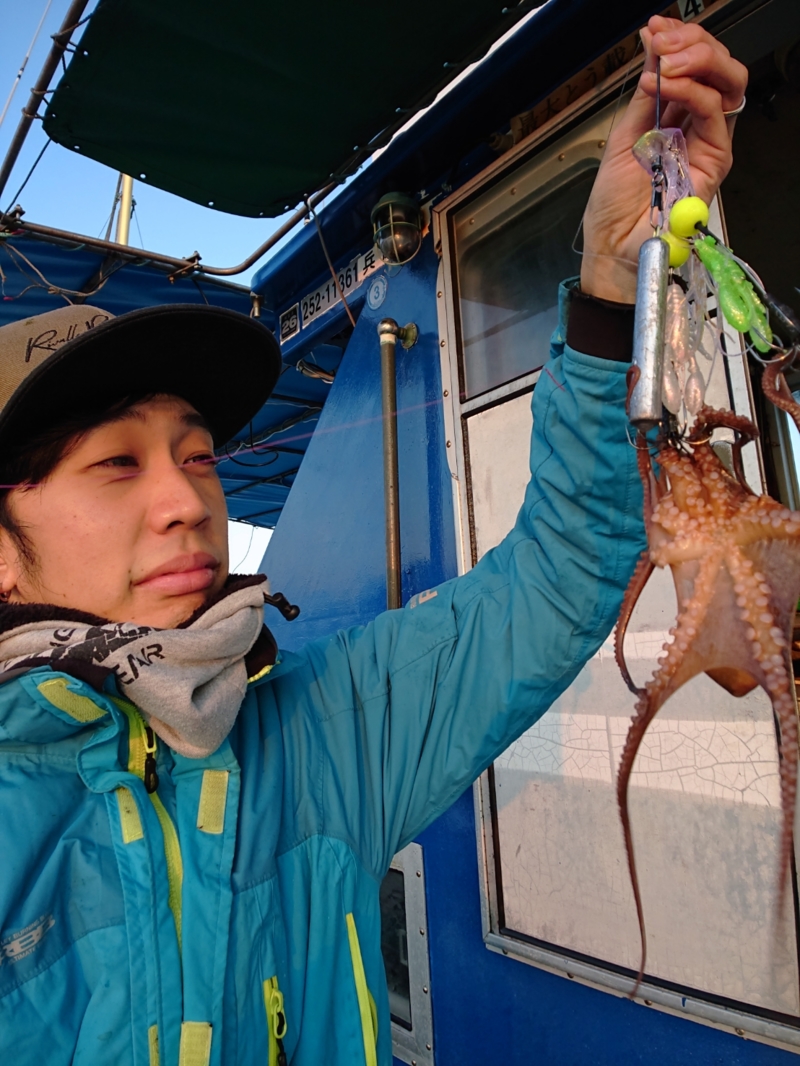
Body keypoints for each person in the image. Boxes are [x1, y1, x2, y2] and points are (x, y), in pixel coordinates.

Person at [0, 16, 747, 1066]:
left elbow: (559, 576)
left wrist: (611, 282)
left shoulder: (325, 730)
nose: (184, 500)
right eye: (116, 464)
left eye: (200, 454)